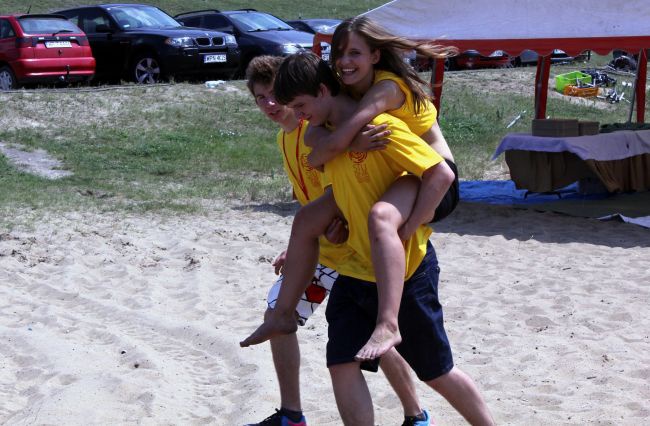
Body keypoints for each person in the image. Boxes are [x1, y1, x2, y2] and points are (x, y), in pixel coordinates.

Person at [244, 51, 494, 425]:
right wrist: (337, 222)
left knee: (436, 372)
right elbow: (337, 193)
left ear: (324, 90)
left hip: (406, 273)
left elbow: (441, 176)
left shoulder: (382, 129)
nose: (295, 114)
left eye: (299, 105)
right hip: (355, 272)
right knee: (342, 363)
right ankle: (282, 318)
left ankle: (437, 413)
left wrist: (408, 228)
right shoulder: (326, 139)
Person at [307, 16, 462, 361]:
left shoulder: (386, 88)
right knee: (311, 218)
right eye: (339, 54)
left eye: (354, 54)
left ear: (376, 56)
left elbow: (344, 133)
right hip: (406, 176)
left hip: (435, 178)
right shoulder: (352, 88)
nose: (344, 62)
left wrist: (409, 227)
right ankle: (285, 309)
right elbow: (321, 135)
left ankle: (388, 322)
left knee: (381, 219)